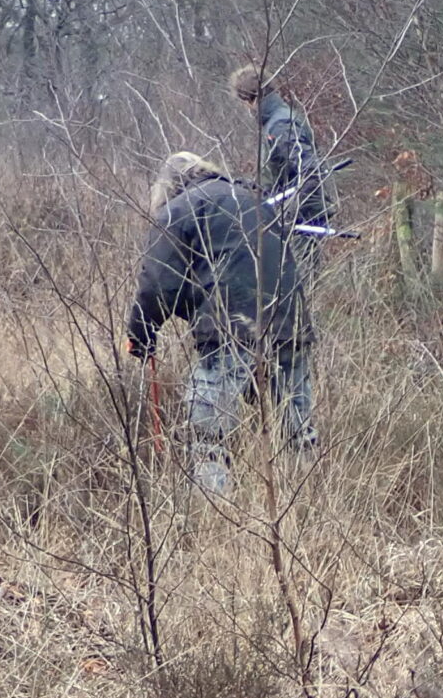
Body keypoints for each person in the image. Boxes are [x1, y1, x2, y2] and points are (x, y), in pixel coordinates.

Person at [127, 150, 317, 496]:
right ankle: (311, 504)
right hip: (292, 321)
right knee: (297, 429)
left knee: (207, 433)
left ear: (168, 186)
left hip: (232, 330)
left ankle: (210, 513)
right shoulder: (253, 199)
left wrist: (141, 334)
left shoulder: (178, 212)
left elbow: (158, 285)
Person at [230, 64, 335, 241]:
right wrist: (254, 187)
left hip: (301, 220)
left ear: (250, 100)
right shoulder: (275, 120)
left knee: (302, 268)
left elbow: (310, 170)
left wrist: (288, 212)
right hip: (293, 216)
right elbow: (280, 171)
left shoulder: (280, 125)